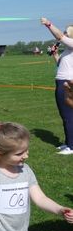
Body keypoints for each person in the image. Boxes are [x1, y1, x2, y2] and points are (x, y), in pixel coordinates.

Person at [41, 17, 73, 154]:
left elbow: (59, 36)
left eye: (67, 32)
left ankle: (72, 146)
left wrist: (48, 24)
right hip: (62, 81)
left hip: (67, 83)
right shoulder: (68, 49)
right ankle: (68, 143)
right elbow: (60, 62)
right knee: (65, 115)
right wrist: (55, 53)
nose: (64, 34)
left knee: (68, 115)